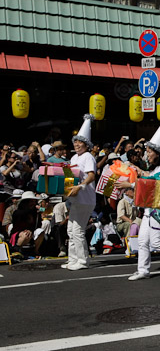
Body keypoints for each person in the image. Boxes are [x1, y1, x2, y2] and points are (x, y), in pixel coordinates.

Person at [116, 121, 160, 280]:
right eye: (146, 151)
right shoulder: (154, 168)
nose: (146, 154)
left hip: (159, 211)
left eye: (149, 151)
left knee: (157, 243)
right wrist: (137, 170)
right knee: (142, 241)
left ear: (157, 153)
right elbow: (147, 178)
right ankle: (143, 270)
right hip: (149, 210)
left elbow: (152, 186)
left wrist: (130, 183)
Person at [63, 115, 97, 271]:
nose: (76, 144)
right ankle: (73, 259)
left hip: (85, 198)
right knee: (71, 230)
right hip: (75, 199)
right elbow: (71, 176)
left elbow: (91, 175)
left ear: (86, 144)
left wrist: (80, 187)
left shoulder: (88, 157)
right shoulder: (74, 157)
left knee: (77, 230)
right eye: (75, 141)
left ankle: (82, 261)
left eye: (80, 142)